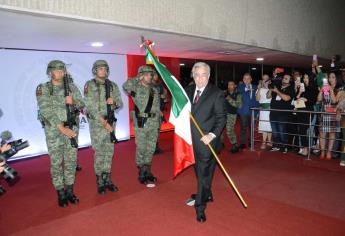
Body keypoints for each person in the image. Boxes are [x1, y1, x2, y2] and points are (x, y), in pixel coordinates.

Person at [36, 60, 84, 207]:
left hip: (72, 129)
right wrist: (62, 128)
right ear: (50, 72)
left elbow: (82, 104)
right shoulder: (43, 88)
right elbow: (46, 110)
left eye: (62, 70)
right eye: (57, 71)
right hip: (54, 131)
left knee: (71, 161)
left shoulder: (71, 87)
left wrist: (73, 101)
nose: (60, 73)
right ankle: (60, 192)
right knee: (56, 162)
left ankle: (69, 190)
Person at [184, 62, 226, 223]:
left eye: (203, 75)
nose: (200, 79)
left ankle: (200, 206)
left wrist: (212, 135)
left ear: (208, 76)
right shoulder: (187, 91)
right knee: (200, 172)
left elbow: (221, 118)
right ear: (193, 76)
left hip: (206, 141)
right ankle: (206, 192)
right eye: (196, 75)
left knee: (203, 174)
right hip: (190, 141)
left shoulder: (216, 93)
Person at [84, 60, 123, 194]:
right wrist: (104, 123)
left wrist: (115, 102)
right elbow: (90, 107)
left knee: (109, 152)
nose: (103, 71)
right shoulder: (90, 85)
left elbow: (120, 103)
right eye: (100, 69)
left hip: (110, 123)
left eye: (105, 69)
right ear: (95, 70)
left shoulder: (112, 85)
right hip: (97, 125)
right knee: (99, 152)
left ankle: (107, 178)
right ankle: (100, 180)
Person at [123, 65, 161, 185]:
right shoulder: (136, 88)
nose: (151, 76)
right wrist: (138, 77)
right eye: (149, 74)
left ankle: (148, 170)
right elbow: (125, 85)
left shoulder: (154, 89)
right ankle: (141, 171)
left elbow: (157, 106)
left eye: (151, 74)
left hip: (154, 123)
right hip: (142, 123)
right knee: (141, 148)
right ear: (143, 75)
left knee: (151, 148)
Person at [267, 74, 295, 153]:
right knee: (274, 130)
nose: (283, 79)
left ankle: (284, 146)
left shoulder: (291, 89)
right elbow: (268, 96)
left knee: (282, 130)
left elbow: (286, 98)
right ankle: (276, 145)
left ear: (290, 81)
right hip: (273, 112)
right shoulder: (277, 86)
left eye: (286, 78)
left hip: (283, 114)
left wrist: (277, 91)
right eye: (283, 78)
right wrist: (271, 88)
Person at [237, 73, 258, 149]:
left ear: (251, 79)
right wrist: (247, 89)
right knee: (243, 127)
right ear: (243, 80)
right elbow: (240, 94)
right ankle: (242, 143)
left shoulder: (256, 87)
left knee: (252, 127)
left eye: (248, 78)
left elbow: (258, 99)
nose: (246, 80)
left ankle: (251, 141)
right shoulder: (240, 87)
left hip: (253, 111)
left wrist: (257, 110)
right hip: (243, 111)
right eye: (245, 78)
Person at [152, 70, 168, 154]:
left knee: (157, 131)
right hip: (153, 113)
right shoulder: (149, 86)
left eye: (156, 75)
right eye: (154, 75)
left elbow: (165, 98)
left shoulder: (159, 86)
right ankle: (152, 148)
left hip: (160, 112)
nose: (156, 76)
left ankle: (156, 147)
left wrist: (164, 96)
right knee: (153, 131)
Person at [225, 80, 242, 153]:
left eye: (231, 84)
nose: (229, 86)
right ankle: (221, 144)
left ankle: (235, 145)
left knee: (229, 130)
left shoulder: (238, 94)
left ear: (235, 86)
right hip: (222, 114)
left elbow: (239, 105)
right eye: (228, 85)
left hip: (231, 115)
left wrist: (229, 99)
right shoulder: (225, 93)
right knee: (220, 129)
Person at [256, 74, 272, 149]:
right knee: (264, 125)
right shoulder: (260, 89)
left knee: (270, 125)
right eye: (263, 79)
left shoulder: (272, 89)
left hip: (271, 110)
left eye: (266, 79)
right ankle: (264, 142)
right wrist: (259, 89)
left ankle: (269, 141)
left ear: (269, 81)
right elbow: (257, 99)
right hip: (263, 110)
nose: (265, 80)